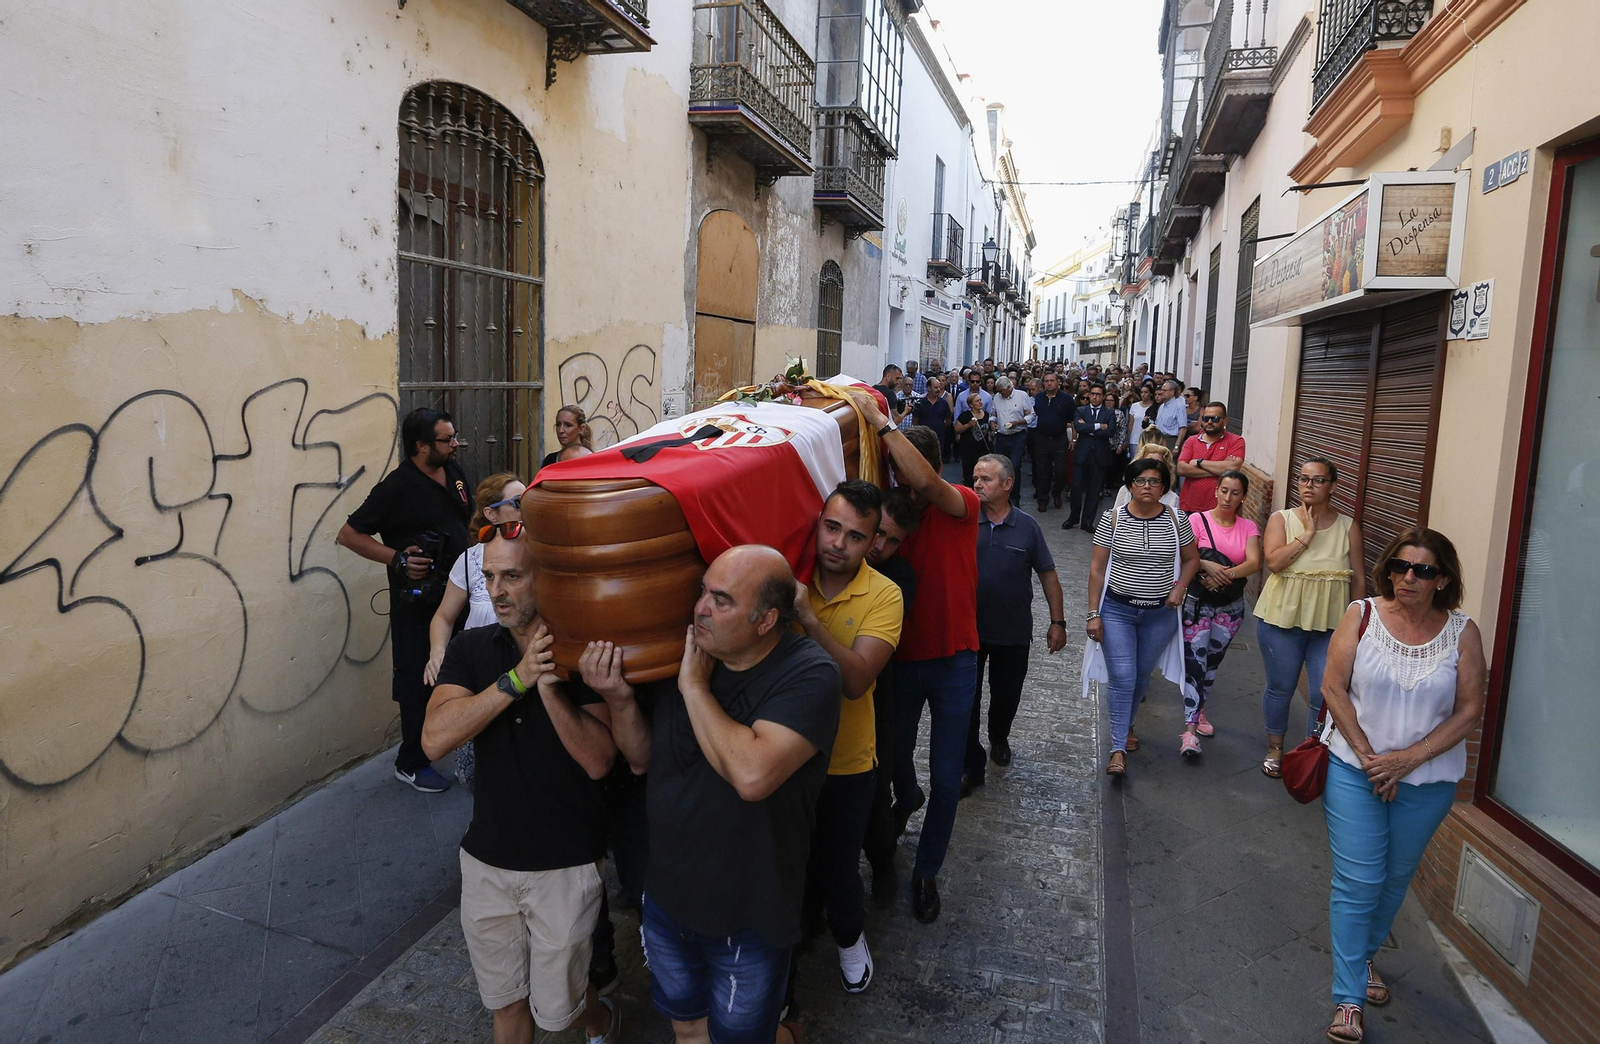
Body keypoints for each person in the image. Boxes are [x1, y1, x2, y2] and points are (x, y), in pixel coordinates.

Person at [580, 546, 840, 1044]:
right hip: (666, 900)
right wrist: (618, 699)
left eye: (721, 601)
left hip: (749, 916)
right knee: (687, 1029)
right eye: (703, 592)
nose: (700, 608)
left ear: (766, 620)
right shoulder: (687, 650)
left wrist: (695, 689)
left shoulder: (809, 673)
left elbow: (752, 776)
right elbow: (642, 757)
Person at [419, 523, 620, 1044]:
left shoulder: (580, 649)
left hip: (564, 864)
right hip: (487, 860)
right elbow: (434, 739)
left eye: (512, 576)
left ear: (545, 578)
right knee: (506, 1003)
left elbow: (600, 761)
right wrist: (516, 680)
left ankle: (600, 1018)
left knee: (559, 1010)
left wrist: (549, 688)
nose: (497, 590)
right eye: (489, 577)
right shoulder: (471, 648)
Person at [1317, 528, 1486, 1044]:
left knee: (1393, 880)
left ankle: (1364, 958)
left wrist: (1407, 761)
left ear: (1443, 580)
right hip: (1355, 770)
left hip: (1427, 781)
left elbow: (1470, 710)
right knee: (1359, 881)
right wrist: (1375, 762)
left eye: (1422, 570)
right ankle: (1348, 997)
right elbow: (1332, 687)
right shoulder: (1362, 615)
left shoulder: (1463, 632)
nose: (1407, 577)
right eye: (1399, 566)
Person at [845, 391, 978, 925]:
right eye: (899, 479)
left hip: (955, 663)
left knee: (947, 778)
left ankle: (926, 872)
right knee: (889, 762)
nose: (908, 488)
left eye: (913, 478)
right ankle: (906, 799)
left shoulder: (960, 503)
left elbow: (924, 480)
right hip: (898, 665)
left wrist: (879, 419)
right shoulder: (887, 517)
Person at [791, 482, 904, 995]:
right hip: (784, 757)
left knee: (839, 867)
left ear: (873, 541)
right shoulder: (790, 573)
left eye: (854, 536)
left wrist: (808, 620)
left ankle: (850, 938)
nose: (837, 543)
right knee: (791, 863)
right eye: (831, 527)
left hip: (847, 762)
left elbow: (857, 679)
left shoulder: (885, 594)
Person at [338, 406, 473, 793]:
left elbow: (464, 521)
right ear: (420, 446)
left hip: (458, 593)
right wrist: (397, 559)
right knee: (418, 679)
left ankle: (457, 741)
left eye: (454, 436)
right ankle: (411, 762)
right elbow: (349, 535)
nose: (455, 444)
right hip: (417, 604)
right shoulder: (396, 487)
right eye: (446, 439)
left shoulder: (454, 472)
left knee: (461, 667)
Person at [1083, 459, 1201, 776]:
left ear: (1164, 488)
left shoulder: (1177, 519)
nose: (1147, 486)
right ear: (1129, 485)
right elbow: (1097, 569)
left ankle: (1127, 724)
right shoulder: (1112, 518)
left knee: (1140, 676)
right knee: (1123, 676)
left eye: (1154, 481)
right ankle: (1117, 749)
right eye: (1140, 480)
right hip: (1117, 610)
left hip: (1160, 615)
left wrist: (1180, 587)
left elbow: (1192, 559)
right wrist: (1093, 614)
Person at [1254, 456, 1367, 778]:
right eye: (1304, 479)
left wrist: (1359, 626)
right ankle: (1275, 748)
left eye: (1318, 480)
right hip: (1281, 620)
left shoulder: (1348, 527)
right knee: (1281, 688)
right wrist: (1308, 533)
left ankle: (1308, 752)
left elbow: (1359, 580)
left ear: (1333, 486)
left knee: (1323, 692)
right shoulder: (1282, 519)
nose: (1309, 485)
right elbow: (1275, 563)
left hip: (1331, 626)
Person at [963, 455, 1067, 793]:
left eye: (986, 479)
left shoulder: (1027, 527)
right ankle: (970, 758)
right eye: (975, 478)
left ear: (1007, 484)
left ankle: (999, 736)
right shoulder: (965, 521)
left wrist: (1057, 622)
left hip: (1012, 632)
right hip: (968, 631)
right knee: (966, 699)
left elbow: (1048, 575)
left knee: (1006, 696)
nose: (977, 484)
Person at [425, 473, 528, 791]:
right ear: (491, 514)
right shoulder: (469, 561)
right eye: (517, 502)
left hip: (529, 670)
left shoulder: (538, 552)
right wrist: (438, 652)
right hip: (481, 679)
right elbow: (443, 617)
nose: (526, 507)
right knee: (479, 773)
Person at [861, 489, 919, 906]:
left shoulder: (898, 581)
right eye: (877, 532)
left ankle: (883, 867)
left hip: (877, 696)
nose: (880, 545)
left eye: (893, 540)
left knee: (875, 789)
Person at [1179, 471, 1262, 756]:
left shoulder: (1248, 527)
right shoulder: (1197, 520)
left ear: (1244, 497)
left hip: (1230, 608)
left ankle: (1199, 710)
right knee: (1195, 663)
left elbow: (1254, 562)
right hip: (1198, 604)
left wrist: (1224, 575)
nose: (1228, 498)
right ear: (1216, 491)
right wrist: (1207, 566)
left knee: (1212, 664)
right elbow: (1185, 554)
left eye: (1235, 493)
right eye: (1224, 490)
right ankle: (1189, 732)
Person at [1176, 401, 1246, 514]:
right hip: (1190, 507)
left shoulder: (1236, 441)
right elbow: (1181, 469)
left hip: (1221, 509)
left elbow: (1233, 468)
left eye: (1215, 419)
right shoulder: (1191, 441)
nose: (1209, 422)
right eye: (1205, 418)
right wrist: (1220, 469)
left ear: (1225, 421)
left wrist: (1199, 462)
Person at [1064, 384, 1116, 533]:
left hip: (1099, 455)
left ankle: (1087, 522)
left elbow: (1110, 432)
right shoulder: (1081, 410)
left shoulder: (1109, 412)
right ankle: (1073, 517)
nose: (1094, 397)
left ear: (1103, 396)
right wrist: (1099, 426)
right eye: (1092, 394)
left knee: (1094, 490)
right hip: (1082, 454)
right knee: (1076, 488)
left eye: (1098, 394)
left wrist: (1089, 428)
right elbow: (1079, 428)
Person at [1032, 372, 1075, 512]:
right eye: (1046, 381)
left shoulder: (1067, 399)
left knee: (1061, 470)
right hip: (1042, 438)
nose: (1049, 383)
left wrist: (1073, 438)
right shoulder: (1039, 397)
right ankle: (1043, 499)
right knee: (1042, 471)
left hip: (1059, 439)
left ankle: (1057, 492)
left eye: (1052, 380)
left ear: (1058, 382)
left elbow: (1073, 420)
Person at [991, 377, 1033, 505]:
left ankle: (1015, 497)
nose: (999, 393)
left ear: (1009, 388)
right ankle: (1002, 496)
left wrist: (1018, 422)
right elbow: (993, 414)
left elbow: (1031, 415)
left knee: (1014, 465)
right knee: (1001, 467)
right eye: (998, 391)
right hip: (1002, 436)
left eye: (1001, 391)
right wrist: (992, 422)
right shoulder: (997, 397)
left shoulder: (1022, 396)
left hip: (1017, 436)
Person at [954, 391, 995, 487]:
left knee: (984, 474)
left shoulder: (987, 415)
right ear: (971, 404)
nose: (980, 402)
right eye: (977, 401)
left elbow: (989, 431)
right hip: (968, 451)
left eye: (980, 400)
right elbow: (957, 429)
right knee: (969, 475)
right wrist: (968, 425)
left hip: (983, 450)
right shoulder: (965, 415)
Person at [913, 376, 953, 453]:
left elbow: (948, 420)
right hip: (923, 438)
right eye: (935, 387)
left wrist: (941, 427)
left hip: (939, 438)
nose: (938, 389)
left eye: (939, 387)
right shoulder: (920, 403)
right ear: (929, 388)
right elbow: (915, 421)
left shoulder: (944, 403)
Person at [1145, 379, 1187, 452]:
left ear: (1172, 392)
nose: (1161, 392)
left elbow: (1183, 428)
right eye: (1161, 390)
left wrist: (1176, 446)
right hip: (1158, 439)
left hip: (1170, 440)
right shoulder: (1161, 406)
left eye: (1164, 390)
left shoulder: (1179, 406)